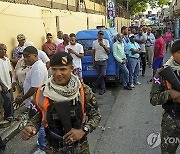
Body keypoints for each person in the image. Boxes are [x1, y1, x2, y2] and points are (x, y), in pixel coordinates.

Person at [21, 52, 101, 153]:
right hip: (53, 149)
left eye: (63, 69)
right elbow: (37, 117)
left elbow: (96, 115)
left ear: (71, 68)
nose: (58, 74)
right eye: (54, 69)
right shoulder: (43, 92)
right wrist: (31, 128)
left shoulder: (83, 91)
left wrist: (83, 130)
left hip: (80, 149)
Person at [150, 39, 180, 154]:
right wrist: (170, 94)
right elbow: (153, 99)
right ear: (172, 53)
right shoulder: (162, 73)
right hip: (171, 122)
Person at [14, 46, 48, 111]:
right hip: (32, 103)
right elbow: (30, 84)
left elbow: (35, 88)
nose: (25, 59)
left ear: (35, 56)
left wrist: (22, 98)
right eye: (24, 57)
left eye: (28, 56)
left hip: (35, 104)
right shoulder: (34, 66)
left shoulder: (38, 68)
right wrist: (22, 94)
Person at [92, 30, 110, 95]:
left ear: (103, 35)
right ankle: (103, 89)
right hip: (97, 60)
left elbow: (108, 52)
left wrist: (103, 46)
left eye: (102, 34)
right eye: (100, 34)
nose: (101, 35)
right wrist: (93, 62)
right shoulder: (94, 42)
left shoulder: (106, 41)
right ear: (97, 35)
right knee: (100, 76)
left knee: (103, 74)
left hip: (104, 60)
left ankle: (95, 84)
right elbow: (93, 53)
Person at [0, 44, 15, 122]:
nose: (3, 51)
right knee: (7, 99)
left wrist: (12, 82)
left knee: (11, 99)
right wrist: (3, 85)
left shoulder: (7, 60)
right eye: (2, 49)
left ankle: (12, 115)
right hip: (2, 86)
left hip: (8, 84)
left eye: (5, 49)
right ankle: (7, 116)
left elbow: (10, 72)